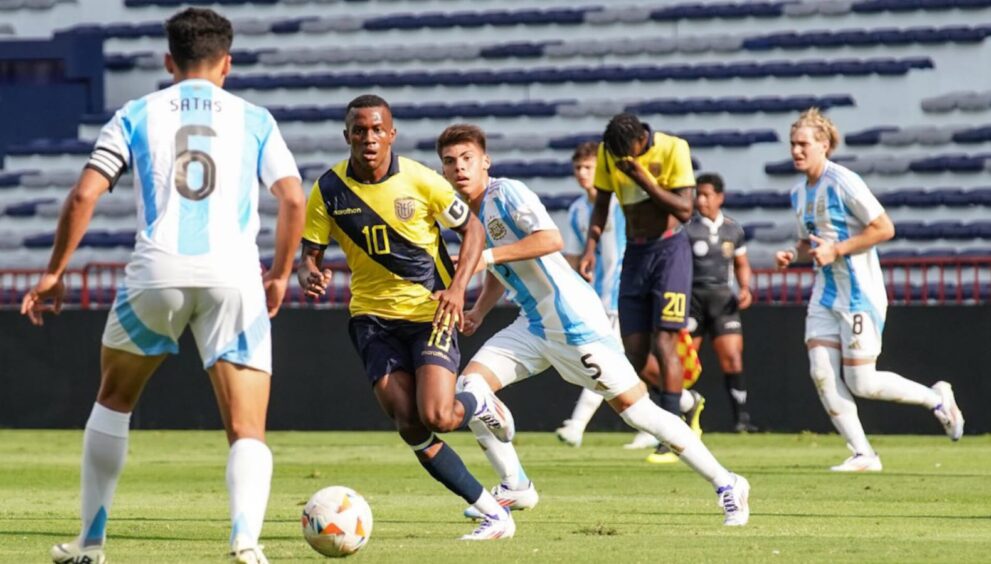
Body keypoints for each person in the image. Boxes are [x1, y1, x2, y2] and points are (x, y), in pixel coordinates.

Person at [20, 8, 305, 564]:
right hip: (234, 277)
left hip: (155, 272)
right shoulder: (254, 118)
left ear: (168, 61)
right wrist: (279, 275)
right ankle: (246, 544)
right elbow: (293, 197)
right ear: (227, 62)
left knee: (114, 400)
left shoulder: (135, 113)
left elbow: (83, 196)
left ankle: (91, 542)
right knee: (247, 427)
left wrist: (53, 274)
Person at [436, 123, 750, 528]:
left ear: (485, 162)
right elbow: (500, 264)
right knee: (470, 388)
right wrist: (479, 309)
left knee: (638, 412)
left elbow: (548, 239)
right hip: (532, 323)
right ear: (442, 170)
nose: (459, 167)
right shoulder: (468, 213)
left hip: (573, 322)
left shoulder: (506, 192)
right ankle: (515, 485)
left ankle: (727, 483)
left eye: (467, 159)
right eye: (450, 161)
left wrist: (489, 257)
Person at [297, 95, 516, 540]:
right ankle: (493, 512)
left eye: (378, 129)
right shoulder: (327, 190)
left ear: (391, 134)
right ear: (347, 137)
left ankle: (477, 400)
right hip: (371, 320)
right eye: (360, 130)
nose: (369, 138)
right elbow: (310, 252)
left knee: (439, 415)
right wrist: (309, 272)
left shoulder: (421, 180)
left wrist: (457, 289)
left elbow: (471, 229)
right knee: (409, 424)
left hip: (428, 313)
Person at [775, 108, 964, 472]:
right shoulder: (798, 193)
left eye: (803, 144)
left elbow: (884, 228)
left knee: (862, 382)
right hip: (825, 293)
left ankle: (936, 399)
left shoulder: (843, 181)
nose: (796, 151)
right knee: (820, 372)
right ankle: (863, 453)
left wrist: (838, 250)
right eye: (792, 144)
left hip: (860, 292)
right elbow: (808, 241)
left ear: (824, 145)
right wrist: (792, 254)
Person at [553, 142, 703, 450]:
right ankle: (683, 401)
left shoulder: (622, 204)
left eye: (589, 168)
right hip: (595, 297)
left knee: (607, 358)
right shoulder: (578, 210)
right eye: (578, 168)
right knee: (628, 361)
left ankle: (577, 426)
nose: (583, 174)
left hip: (627, 290)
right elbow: (574, 254)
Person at [685, 173, 758, 432]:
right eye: (698, 194)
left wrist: (746, 288)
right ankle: (683, 413)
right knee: (686, 362)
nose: (700, 199)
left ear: (719, 197)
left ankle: (741, 419)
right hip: (692, 300)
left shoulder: (733, 229)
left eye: (706, 194)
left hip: (722, 300)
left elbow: (741, 264)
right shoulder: (687, 228)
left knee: (732, 358)